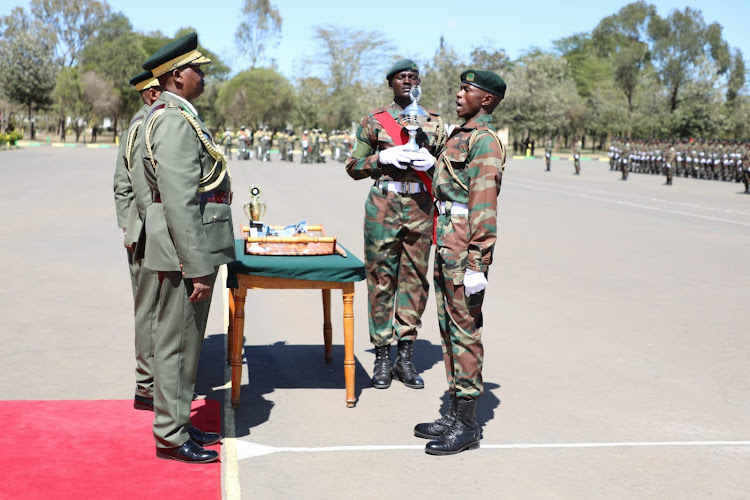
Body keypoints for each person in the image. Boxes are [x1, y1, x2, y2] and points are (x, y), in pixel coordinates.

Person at [139, 32, 235, 464]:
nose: (203, 75)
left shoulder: (175, 114)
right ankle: (171, 435)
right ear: (177, 75)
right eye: (198, 68)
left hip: (184, 245)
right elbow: (178, 199)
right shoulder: (175, 119)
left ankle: (177, 421)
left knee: (184, 342)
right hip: (185, 250)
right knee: (179, 343)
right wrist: (195, 264)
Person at [413, 69, 506, 455]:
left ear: (486, 99)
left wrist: (477, 263)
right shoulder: (460, 134)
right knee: (449, 329)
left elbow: (484, 204)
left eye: (466, 89)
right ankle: (453, 412)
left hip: (466, 241)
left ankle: (467, 425)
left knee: (465, 330)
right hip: (447, 235)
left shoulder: (485, 142)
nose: (458, 94)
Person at [345, 59, 446, 390]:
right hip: (383, 206)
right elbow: (352, 166)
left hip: (420, 206)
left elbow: (450, 172)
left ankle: (406, 355)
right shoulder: (375, 121)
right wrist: (381, 159)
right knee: (381, 280)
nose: (407, 81)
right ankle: (382, 357)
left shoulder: (434, 123)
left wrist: (434, 165)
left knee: (415, 281)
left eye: (413, 77)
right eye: (401, 77)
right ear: (390, 83)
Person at [113, 71, 162, 414]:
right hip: (145, 233)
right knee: (148, 312)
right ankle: (146, 386)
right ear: (149, 94)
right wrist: (129, 228)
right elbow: (122, 183)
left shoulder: (157, 122)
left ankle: (156, 380)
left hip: (154, 229)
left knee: (159, 310)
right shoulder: (140, 126)